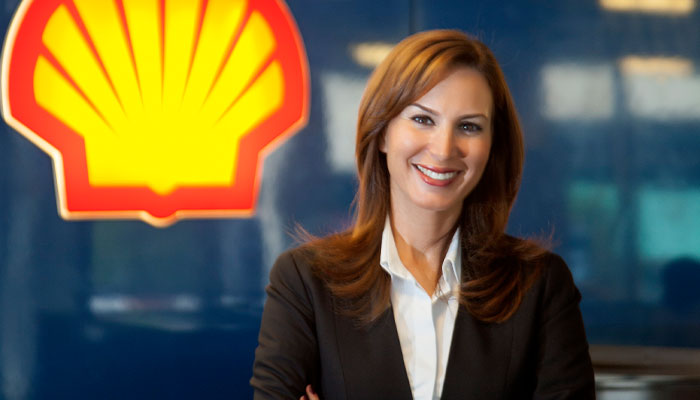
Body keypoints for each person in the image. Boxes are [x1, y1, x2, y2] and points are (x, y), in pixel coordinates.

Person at [251, 29, 595, 400]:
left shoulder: (540, 286)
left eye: (469, 126)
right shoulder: (304, 282)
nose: (444, 149)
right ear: (382, 132)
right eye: (422, 119)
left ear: (492, 147)